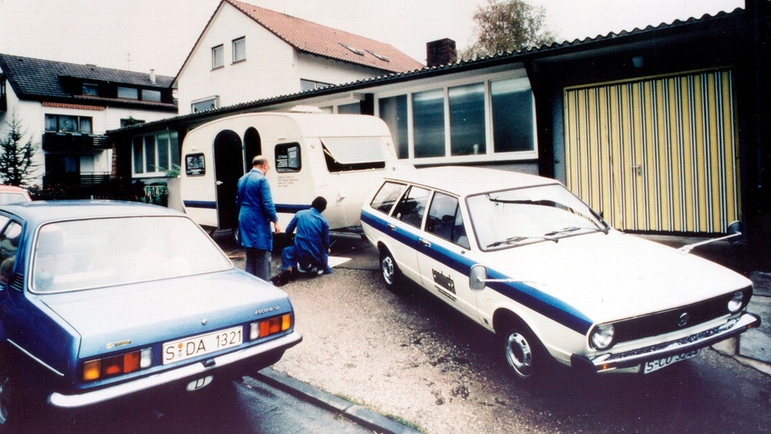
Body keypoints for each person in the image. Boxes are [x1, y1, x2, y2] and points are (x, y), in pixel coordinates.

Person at [236, 155, 281, 281]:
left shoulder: (242, 179)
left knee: (250, 254)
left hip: (244, 216)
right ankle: (264, 284)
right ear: (265, 165)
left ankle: (250, 283)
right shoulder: (262, 180)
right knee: (262, 253)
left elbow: (237, 201)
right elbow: (267, 204)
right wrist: (275, 220)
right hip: (257, 219)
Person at [277, 196, 332, 283]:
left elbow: (288, 230)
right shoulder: (323, 221)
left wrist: (290, 239)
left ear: (312, 204)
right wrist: (327, 249)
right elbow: (326, 241)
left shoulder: (299, 213)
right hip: (315, 253)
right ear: (323, 209)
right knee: (324, 253)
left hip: (300, 249)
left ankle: (288, 269)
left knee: (286, 251)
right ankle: (323, 267)